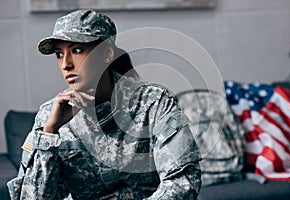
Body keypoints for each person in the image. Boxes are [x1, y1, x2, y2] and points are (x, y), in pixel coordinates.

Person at [7, 9, 202, 199]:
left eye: (76, 50)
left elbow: (182, 183)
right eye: (59, 54)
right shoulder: (49, 115)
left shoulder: (154, 102)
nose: (66, 64)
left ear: (107, 54)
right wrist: (49, 133)